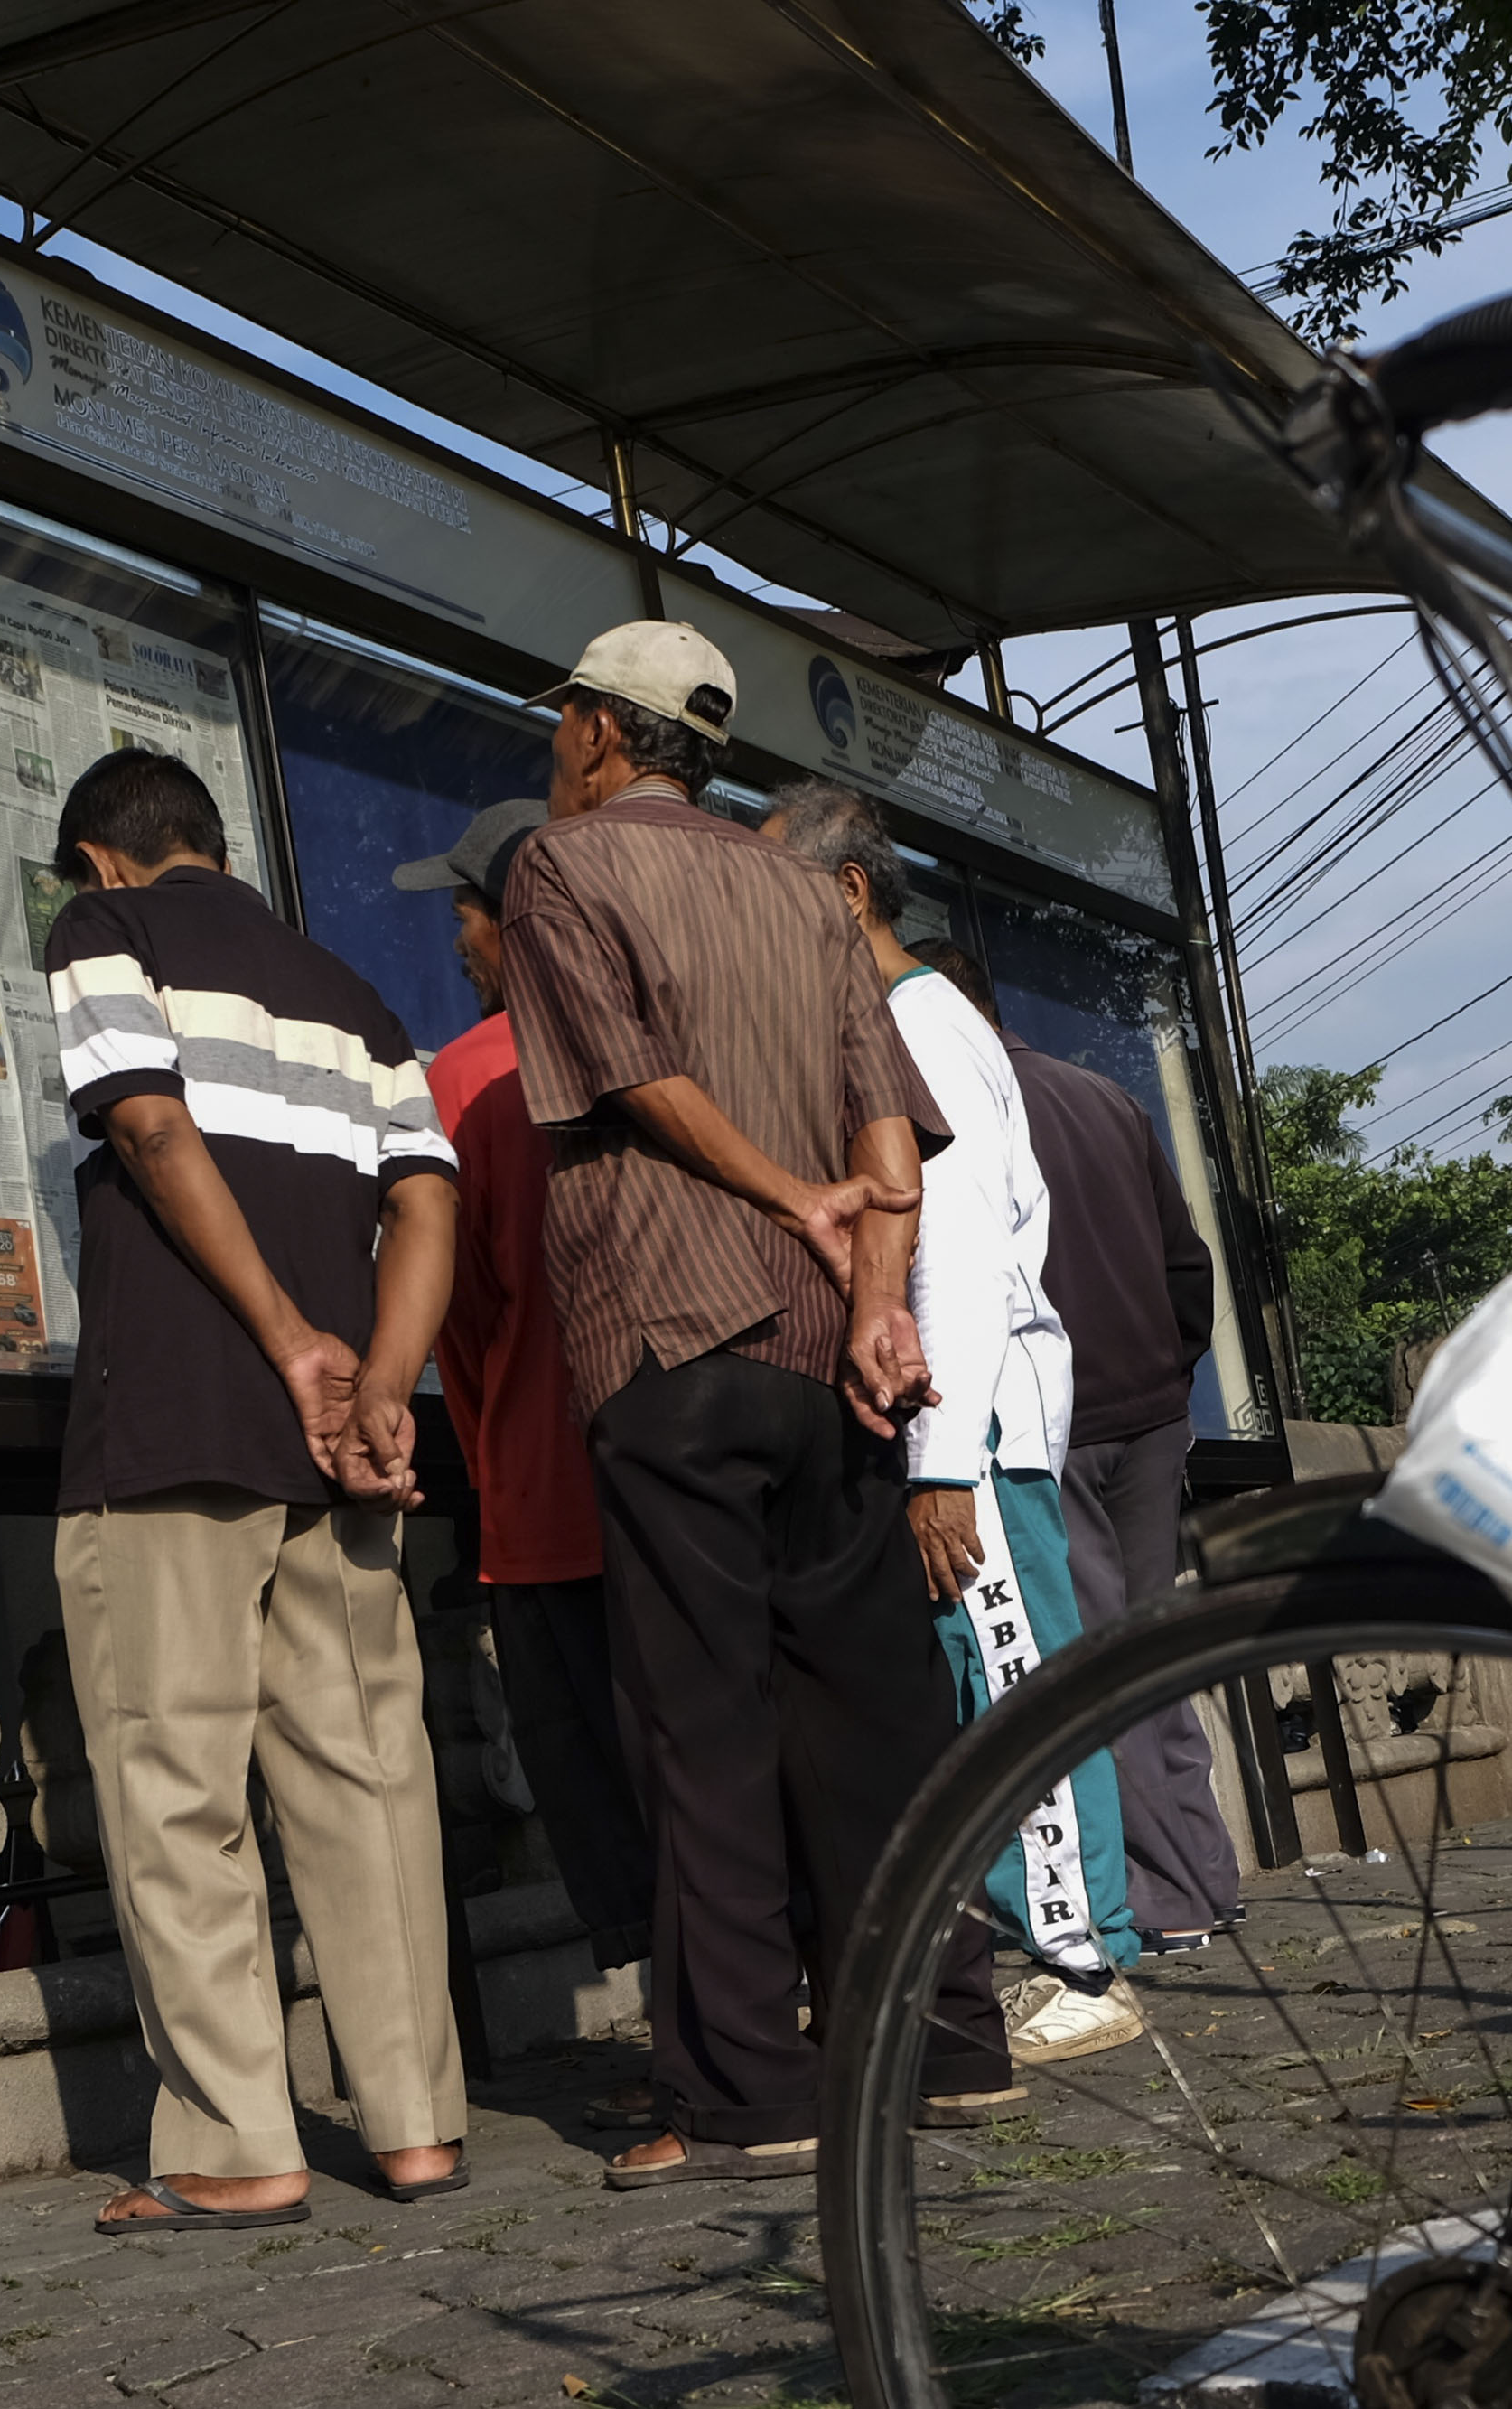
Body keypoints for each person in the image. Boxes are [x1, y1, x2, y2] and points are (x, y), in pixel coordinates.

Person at [498, 622, 1012, 2188]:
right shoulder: (801, 889)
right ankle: (944, 2043)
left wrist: (786, 1196)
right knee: (874, 1715)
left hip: (670, 1331)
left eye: (566, 721)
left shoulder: (560, 865)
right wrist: (873, 1303)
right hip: (823, 1355)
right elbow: (891, 1137)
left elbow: (628, 1074)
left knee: (701, 1723)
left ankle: (746, 2092)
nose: (558, 746)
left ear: (602, 731)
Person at [42, 748, 469, 2234]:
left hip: (173, 1424)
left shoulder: (104, 930)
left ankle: (239, 2144)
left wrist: (290, 1343)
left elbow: (148, 1124)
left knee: (178, 1785)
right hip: (337, 1456)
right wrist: (379, 1383)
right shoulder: (356, 999)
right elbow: (427, 1200)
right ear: (214, 843)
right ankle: (414, 2126)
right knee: (368, 1783)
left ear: (100, 856)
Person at [764, 786, 1145, 2073]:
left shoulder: (921, 1025)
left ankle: (1082, 1961)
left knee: (1013, 1677)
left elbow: (963, 1258)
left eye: (780, 890)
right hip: (956, 1419)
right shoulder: (905, 1023)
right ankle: (1057, 1947)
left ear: (850, 891)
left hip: (970, 1422)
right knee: (990, 1676)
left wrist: (941, 1466)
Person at [913, 937, 1243, 1951]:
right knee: (1145, 1652)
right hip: (1149, 1415)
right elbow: (1187, 1267)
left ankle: (1165, 1898)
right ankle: (1204, 1875)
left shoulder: (959, 1108)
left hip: (1051, 1424)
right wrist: (1168, 1376)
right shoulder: (1107, 1098)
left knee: (1091, 1662)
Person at [394, 799, 658, 1983]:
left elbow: (460, 1311)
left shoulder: (464, 1076)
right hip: (687, 1479)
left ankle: (690, 2032)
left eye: (467, 909)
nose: (458, 934)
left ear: (514, 919)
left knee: (601, 1781)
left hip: (547, 1495)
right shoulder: (662, 1044)